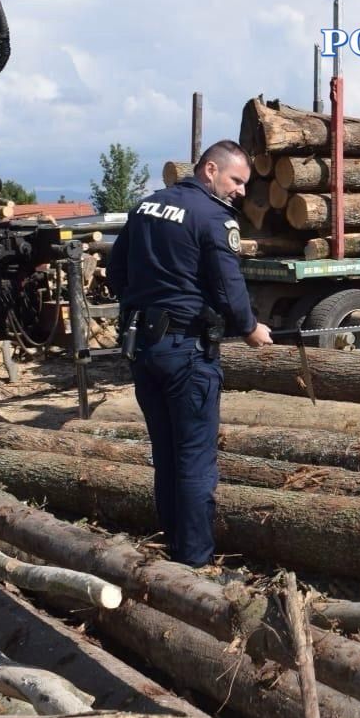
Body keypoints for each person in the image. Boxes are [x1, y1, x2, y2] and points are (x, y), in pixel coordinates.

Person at [109, 140, 272, 566]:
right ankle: (195, 563)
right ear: (210, 170)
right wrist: (249, 327)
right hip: (187, 352)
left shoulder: (146, 206)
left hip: (145, 348)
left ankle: (173, 544)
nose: (240, 191)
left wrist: (143, 307)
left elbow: (116, 270)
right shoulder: (213, 217)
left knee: (166, 454)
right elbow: (228, 284)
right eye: (236, 180)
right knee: (195, 459)